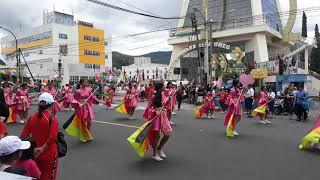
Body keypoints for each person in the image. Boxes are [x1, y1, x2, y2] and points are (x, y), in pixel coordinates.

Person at [21, 92, 59, 180]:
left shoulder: (31, 118)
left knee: (36, 176)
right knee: (49, 176)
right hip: (49, 154)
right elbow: (52, 138)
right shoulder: (52, 119)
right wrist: (42, 148)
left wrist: (32, 149)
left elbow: (24, 135)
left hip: (34, 153)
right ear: (52, 105)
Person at [145, 82, 172, 161]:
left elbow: (165, 105)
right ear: (160, 88)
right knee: (156, 136)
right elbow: (148, 108)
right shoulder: (154, 96)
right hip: (156, 116)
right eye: (163, 86)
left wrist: (168, 100)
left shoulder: (163, 95)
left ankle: (159, 149)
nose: (164, 87)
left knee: (167, 134)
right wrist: (155, 111)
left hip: (163, 115)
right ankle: (154, 153)